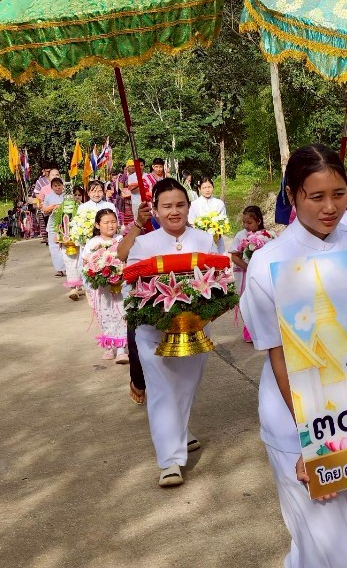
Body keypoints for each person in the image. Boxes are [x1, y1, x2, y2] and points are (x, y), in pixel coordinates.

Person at [240, 144, 347, 568]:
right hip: (297, 420)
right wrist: (314, 437)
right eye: (316, 197)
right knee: (324, 541)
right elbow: (280, 356)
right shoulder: (269, 263)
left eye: (339, 194)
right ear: (292, 195)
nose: (331, 207)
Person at [116, 177, 218, 487]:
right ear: (155, 211)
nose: (174, 212)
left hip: (194, 329)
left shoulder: (204, 240)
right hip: (153, 333)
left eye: (180, 205)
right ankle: (170, 462)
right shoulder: (144, 244)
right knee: (162, 392)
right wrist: (153, 308)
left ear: (189, 207)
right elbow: (129, 285)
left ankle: (180, 432)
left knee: (186, 386)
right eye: (167, 206)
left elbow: (219, 279)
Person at [82, 208, 129, 363]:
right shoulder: (92, 243)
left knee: (121, 313)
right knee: (104, 315)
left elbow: (127, 260)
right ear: (97, 225)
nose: (111, 225)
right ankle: (109, 346)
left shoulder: (121, 240)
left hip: (120, 286)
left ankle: (122, 349)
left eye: (113, 222)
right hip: (101, 289)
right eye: (106, 222)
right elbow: (86, 265)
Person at [230, 205, 273, 343]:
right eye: (244, 222)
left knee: (261, 300)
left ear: (259, 221)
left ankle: (263, 330)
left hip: (261, 276)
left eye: (249, 222)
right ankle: (249, 330)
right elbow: (235, 256)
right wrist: (248, 267)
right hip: (244, 274)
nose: (246, 225)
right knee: (247, 301)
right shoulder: (240, 235)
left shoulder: (267, 236)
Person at [188, 177, 228, 251]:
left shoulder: (219, 203)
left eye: (209, 187)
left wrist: (217, 230)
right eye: (204, 188)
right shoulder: (194, 205)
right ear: (199, 189)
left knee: (218, 259)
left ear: (213, 187)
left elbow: (224, 221)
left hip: (216, 239)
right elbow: (191, 223)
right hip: (200, 240)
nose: (207, 190)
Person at [41, 176, 67, 277]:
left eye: (59, 185)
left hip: (66, 224)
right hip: (53, 225)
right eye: (55, 186)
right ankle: (59, 269)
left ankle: (67, 267)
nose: (57, 187)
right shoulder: (48, 197)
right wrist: (51, 209)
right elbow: (45, 212)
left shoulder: (67, 196)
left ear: (62, 185)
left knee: (65, 245)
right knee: (54, 247)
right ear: (52, 187)